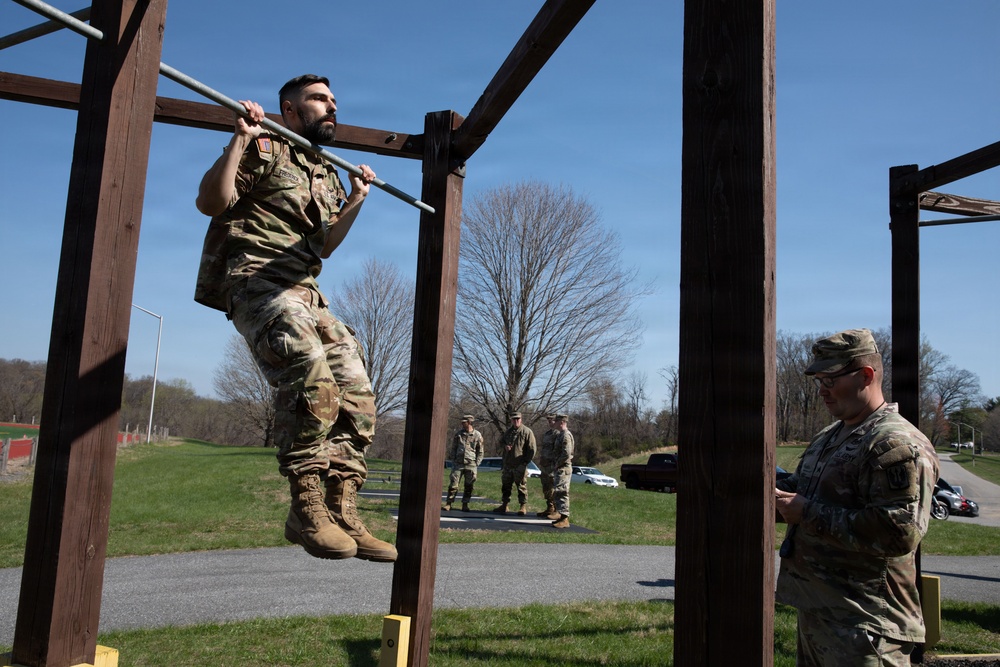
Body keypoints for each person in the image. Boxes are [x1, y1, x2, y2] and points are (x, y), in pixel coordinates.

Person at [194, 74, 395, 563]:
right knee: (310, 374)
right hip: (258, 285)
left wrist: (355, 202)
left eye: (333, 101)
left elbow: (324, 245)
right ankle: (304, 508)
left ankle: (340, 506)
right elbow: (211, 203)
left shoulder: (323, 171)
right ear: (290, 109)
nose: (331, 108)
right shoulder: (266, 146)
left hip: (307, 294)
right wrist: (239, 139)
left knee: (358, 394)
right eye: (319, 99)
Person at [775, 328, 939, 666]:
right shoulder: (831, 435)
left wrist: (806, 513)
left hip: (868, 628)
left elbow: (898, 534)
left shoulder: (895, 444)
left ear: (865, 375)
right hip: (823, 614)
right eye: (818, 381)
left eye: (830, 380)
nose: (822, 391)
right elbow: (805, 487)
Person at [493, 412, 537, 515]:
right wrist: (505, 447)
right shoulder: (508, 432)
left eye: (518, 419)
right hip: (508, 464)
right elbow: (500, 443)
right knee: (506, 485)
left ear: (521, 419)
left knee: (521, 486)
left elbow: (532, 449)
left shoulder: (526, 432)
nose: (516, 421)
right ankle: (504, 505)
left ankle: (522, 506)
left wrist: (525, 462)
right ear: (511, 420)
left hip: (520, 464)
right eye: (514, 419)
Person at [444, 415, 484, 512]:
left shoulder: (477, 435)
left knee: (469, 485)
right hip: (458, 463)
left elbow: (480, 451)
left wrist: (476, 463)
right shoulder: (459, 434)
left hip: (471, 464)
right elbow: (453, 448)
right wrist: (453, 460)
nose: (462, 424)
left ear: (469, 422)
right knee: (453, 484)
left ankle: (465, 504)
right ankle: (449, 503)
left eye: (464, 422)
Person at [549, 413, 574, 529]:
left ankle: (565, 518)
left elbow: (567, 453)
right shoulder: (561, 435)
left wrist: (558, 463)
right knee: (558, 491)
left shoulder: (566, 436)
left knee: (562, 492)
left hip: (563, 468)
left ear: (562, 422)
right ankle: (561, 515)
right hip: (559, 468)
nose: (555, 423)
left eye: (557, 421)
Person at [535, 414, 560, 519]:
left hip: (553, 466)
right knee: (546, 487)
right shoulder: (547, 434)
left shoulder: (559, 434)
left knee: (553, 487)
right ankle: (549, 507)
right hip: (545, 465)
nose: (550, 422)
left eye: (552, 420)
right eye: (549, 420)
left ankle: (556, 509)